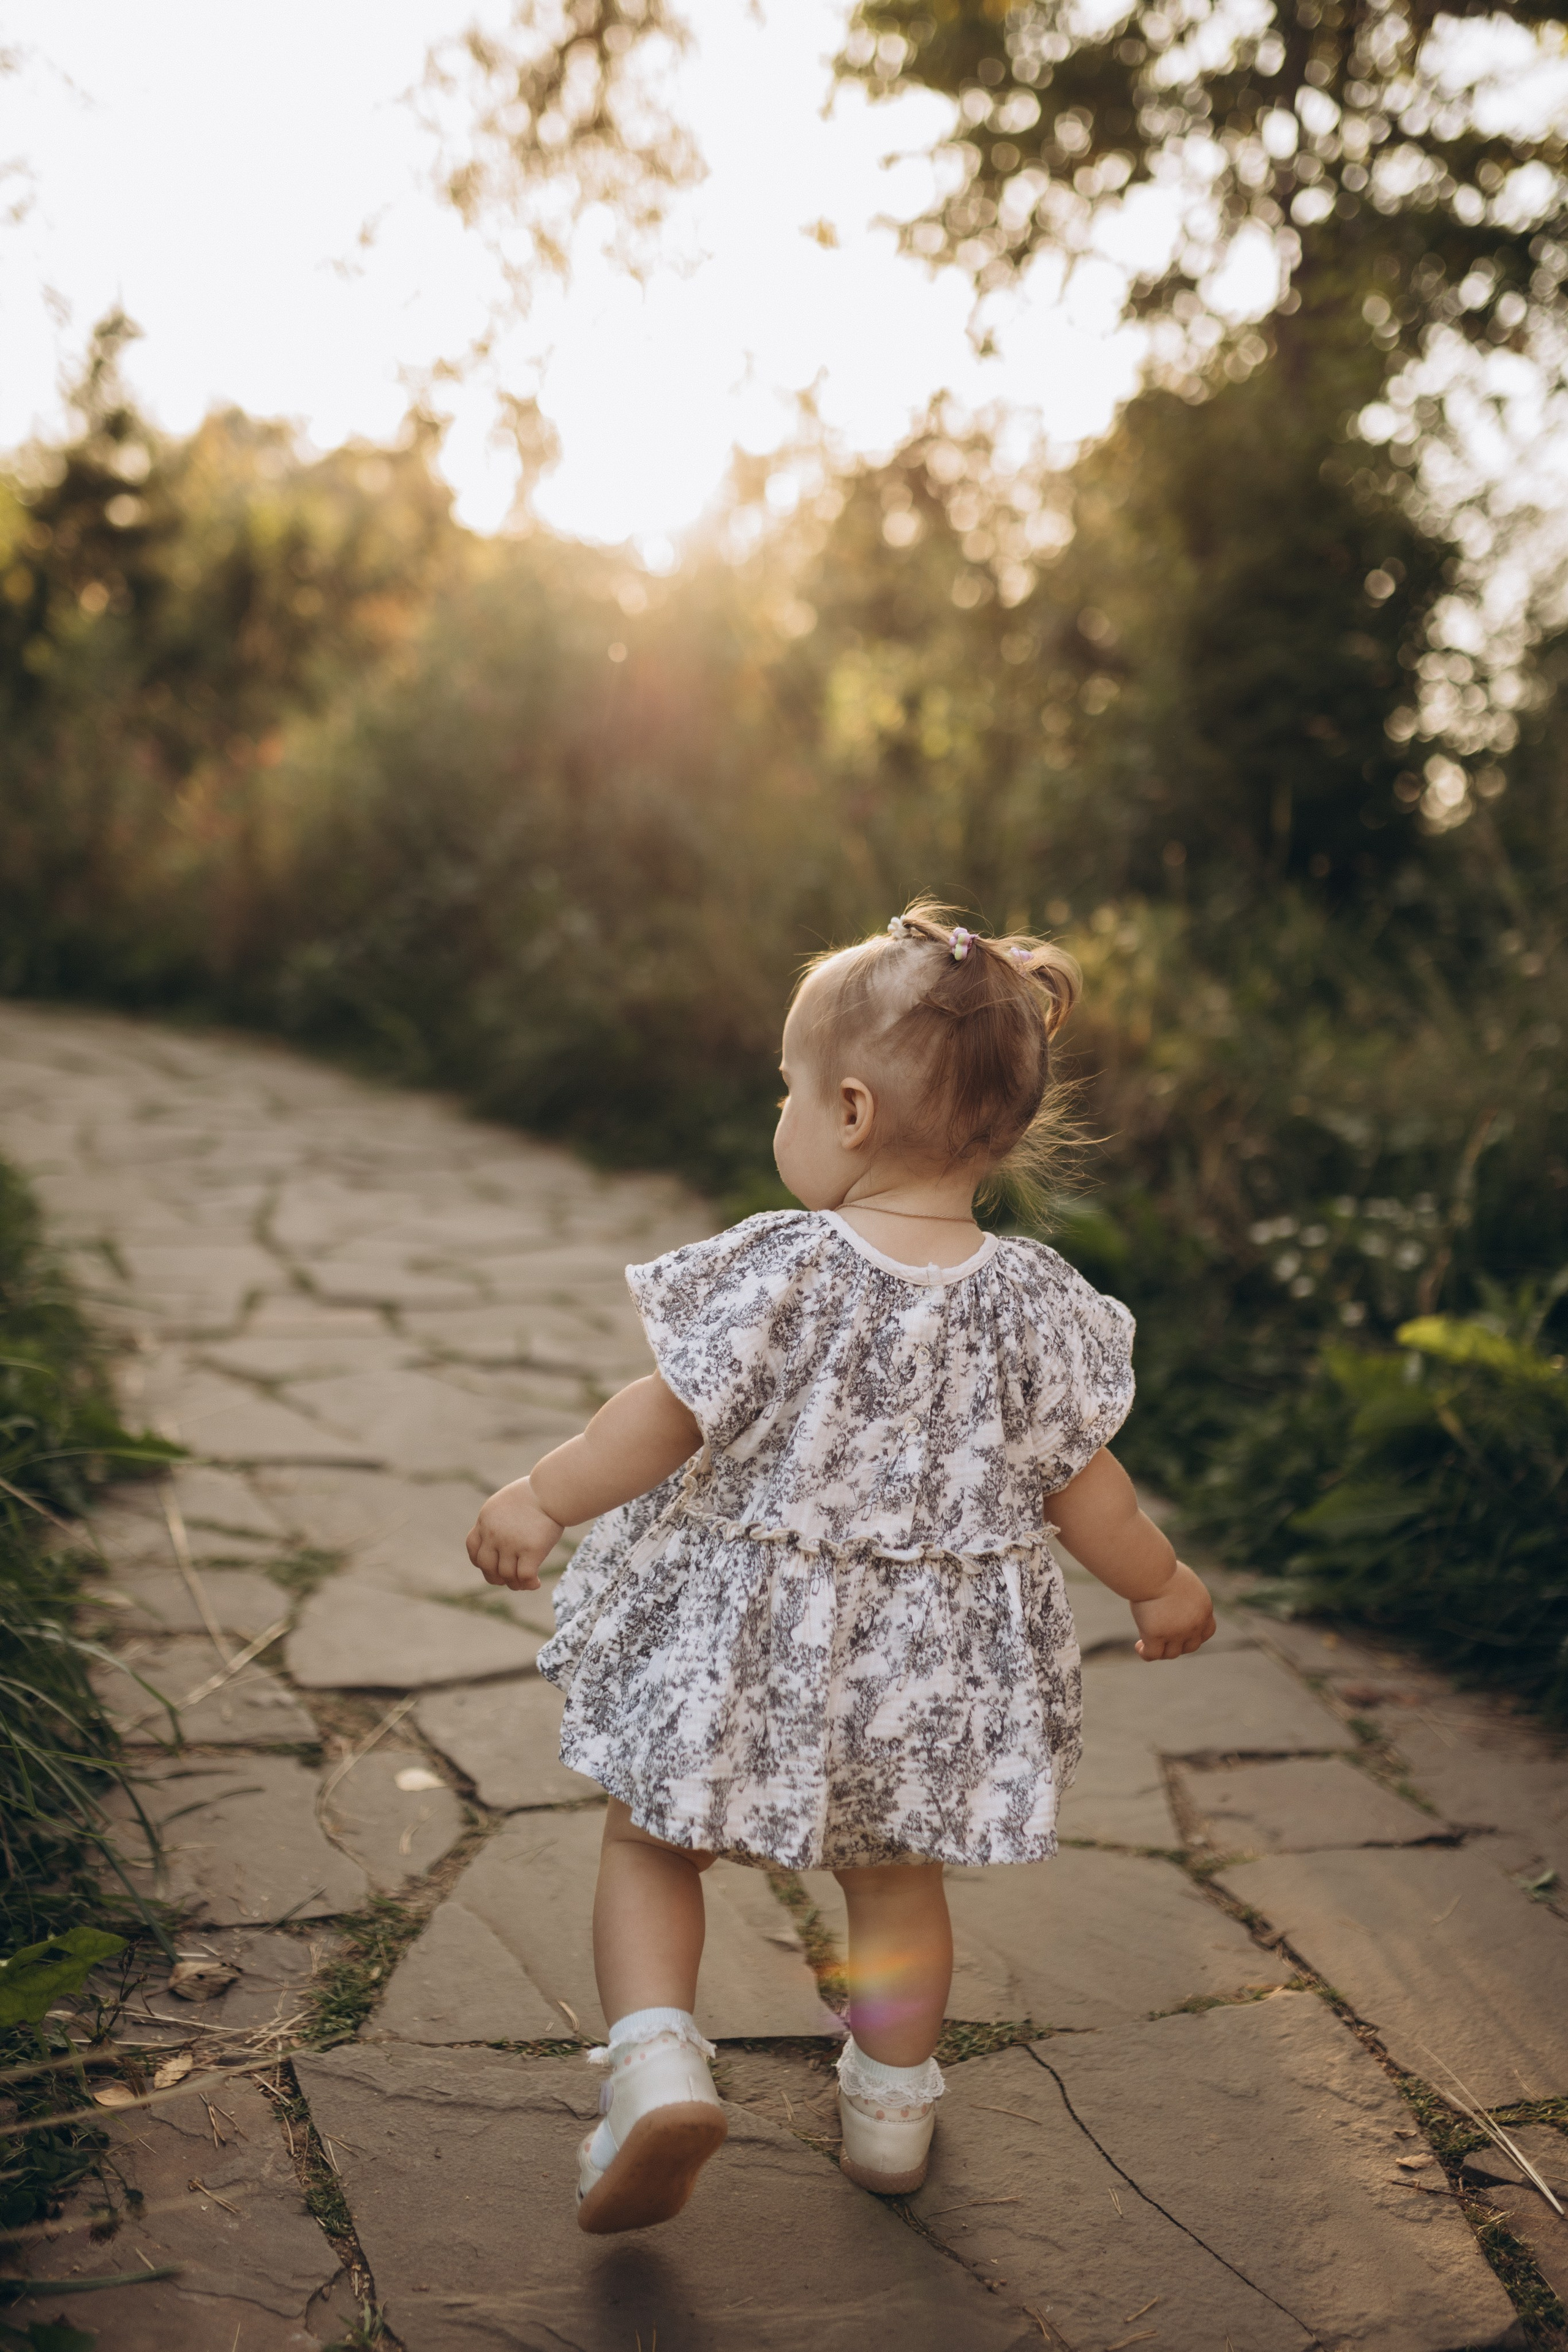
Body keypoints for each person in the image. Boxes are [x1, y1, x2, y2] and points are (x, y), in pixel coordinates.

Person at [466, 902, 1216, 2236]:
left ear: (852, 1112)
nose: (783, 1114)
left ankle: (654, 2070)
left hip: (742, 1649)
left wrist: (542, 1496)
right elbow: (1084, 1486)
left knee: (652, 1840)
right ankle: (889, 2108)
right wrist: (1157, 1584)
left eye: (788, 1091)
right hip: (921, 1681)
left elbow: (661, 1418)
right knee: (894, 1875)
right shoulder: (1035, 1303)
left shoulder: (782, 1269)